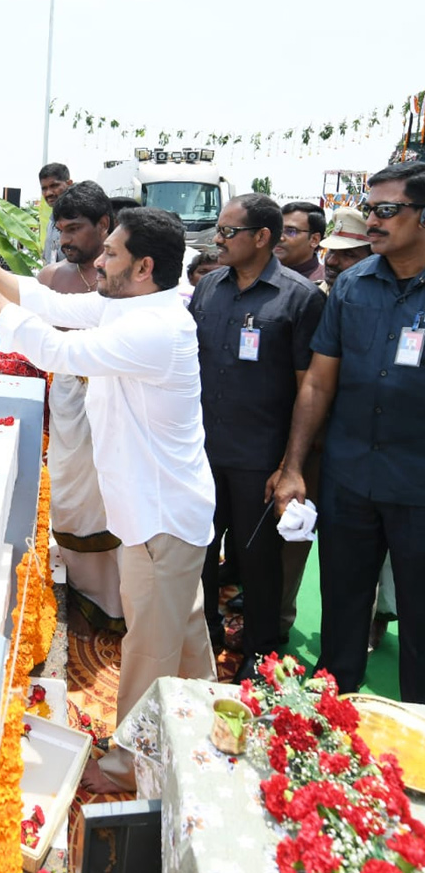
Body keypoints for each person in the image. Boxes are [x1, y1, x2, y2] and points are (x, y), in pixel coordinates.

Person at [0, 207, 217, 791]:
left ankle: (129, 765)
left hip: (161, 522)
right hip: (166, 516)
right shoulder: (132, 306)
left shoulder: (152, 328)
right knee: (185, 633)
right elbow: (43, 302)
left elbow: (54, 350)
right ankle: (205, 730)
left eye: (113, 254)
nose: (99, 261)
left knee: (149, 652)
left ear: (144, 267)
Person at [272, 161, 425, 703]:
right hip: (350, 478)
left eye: (386, 210)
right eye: (371, 208)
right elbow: (317, 383)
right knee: (341, 609)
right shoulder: (353, 287)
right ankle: (333, 724)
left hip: (417, 487)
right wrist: (293, 466)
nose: (372, 222)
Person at [190, 195, 325, 680]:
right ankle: (202, 635)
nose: (218, 241)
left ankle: (261, 652)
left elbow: (311, 386)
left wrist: (291, 466)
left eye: (228, 232)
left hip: (260, 458)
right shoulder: (208, 289)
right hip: (203, 453)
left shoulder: (299, 298)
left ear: (261, 237)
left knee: (258, 561)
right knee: (201, 551)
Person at [36, 182, 124, 634]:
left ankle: (120, 605)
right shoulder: (51, 279)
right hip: (70, 404)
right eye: (61, 229)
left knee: (115, 502)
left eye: (74, 229)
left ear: (103, 226)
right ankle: (85, 598)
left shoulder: (124, 279)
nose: (65, 239)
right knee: (72, 502)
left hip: (115, 403)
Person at [319, 206, 373, 292]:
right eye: (331, 250)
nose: (331, 261)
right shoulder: (309, 296)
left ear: (371, 259)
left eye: (348, 254)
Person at [274, 201, 327, 283]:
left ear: (314, 240)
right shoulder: (258, 274)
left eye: (290, 231)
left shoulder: (325, 283)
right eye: (277, 230)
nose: (279, 237)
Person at [38, 163, 74, 265]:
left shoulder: (78, 220)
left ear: (69, 184)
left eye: (54, 186)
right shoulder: (51, 222)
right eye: (44, 188)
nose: (48, 193)